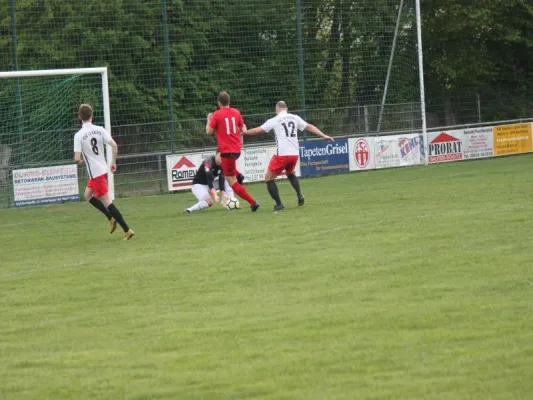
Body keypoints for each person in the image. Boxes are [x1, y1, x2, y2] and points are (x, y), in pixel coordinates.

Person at [243, 101, 333, 211]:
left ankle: (279, 204)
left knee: (268, 178)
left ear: (277, 109)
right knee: (290, 173)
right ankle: (299, 194)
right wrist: (323, 135)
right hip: (294, 154)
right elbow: (309, 126)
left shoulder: (275, 120)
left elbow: (258, 130)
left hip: (282, 154)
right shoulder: (294, 117)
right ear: (286, 108)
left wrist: (245, 132)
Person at [73, 104, 135, 240]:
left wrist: (81, 161)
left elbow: (77, 158)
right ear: (92, 116)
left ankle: (127, 229)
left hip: (95, 174)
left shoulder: (78, 135)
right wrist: (113, 162)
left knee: (108, 201)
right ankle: (111, 218)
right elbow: (114, 145)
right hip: (102, 169)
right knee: (88, 195)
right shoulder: (99, 129)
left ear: (79, 117)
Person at [206, 92, 260, 212]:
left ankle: (253, 203)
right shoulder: (236, 112)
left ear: (219, 102)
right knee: (220, 162)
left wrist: (208, 120)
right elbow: (243, 128)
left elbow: (208, 132)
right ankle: (238, 174)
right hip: (236, 149)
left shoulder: (216, 114)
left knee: (232, 182)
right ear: (229, 102)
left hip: (227, 151)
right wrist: (244, 128)